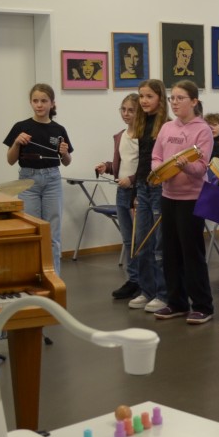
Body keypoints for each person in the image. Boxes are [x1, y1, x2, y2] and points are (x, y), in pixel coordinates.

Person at [150, 79, 215, 324]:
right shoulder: (167, 127)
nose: (174, 103)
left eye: (180, 98)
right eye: (172, 98)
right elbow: (156, 156)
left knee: (191, 253)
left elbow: (201, 168)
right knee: (170, 252)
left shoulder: (202, 130)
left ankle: (203, 305)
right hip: (168, 196)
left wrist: (185, 166)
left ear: (194, 101)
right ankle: (176, 302)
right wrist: (159, 169)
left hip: (192, 199)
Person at [3, 83, 72, 277]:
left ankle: (54, 278)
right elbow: (10, 160)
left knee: (52, 233)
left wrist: (65, 153)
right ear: (30, 103)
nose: (39, 105)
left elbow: (66, 162)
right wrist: (16, 143)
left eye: (44, 101)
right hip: (28, 181)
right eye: (35, 101)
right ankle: (32, 276)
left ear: (52, 103)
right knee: (32, 230)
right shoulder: (21, 127)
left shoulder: (58, 129)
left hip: (52, 180)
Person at [128, 80, 170, 313]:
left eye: (149, 96)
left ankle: (163, 294)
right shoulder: (141, 123)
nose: (143, 100)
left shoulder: (167, 126)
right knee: (141, 241)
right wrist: (135, 191)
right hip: (143, 187)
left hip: (160, 187)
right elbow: (142, 160)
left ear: (160, 99)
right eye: (141, 96)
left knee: (159, 245)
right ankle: (147, 290)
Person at [97, 94, 142, 300]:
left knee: (139, 239)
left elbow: (145, 166)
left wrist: (131, 180)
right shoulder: (120, 136)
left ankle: (145, 280)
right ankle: (133, 280)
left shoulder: (143, 138)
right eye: (123, 109)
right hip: (122, 192)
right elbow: (122, 163)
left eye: (131, 110)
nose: (126, 114)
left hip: (138, 192)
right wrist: (107, 167)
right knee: (127, 238)